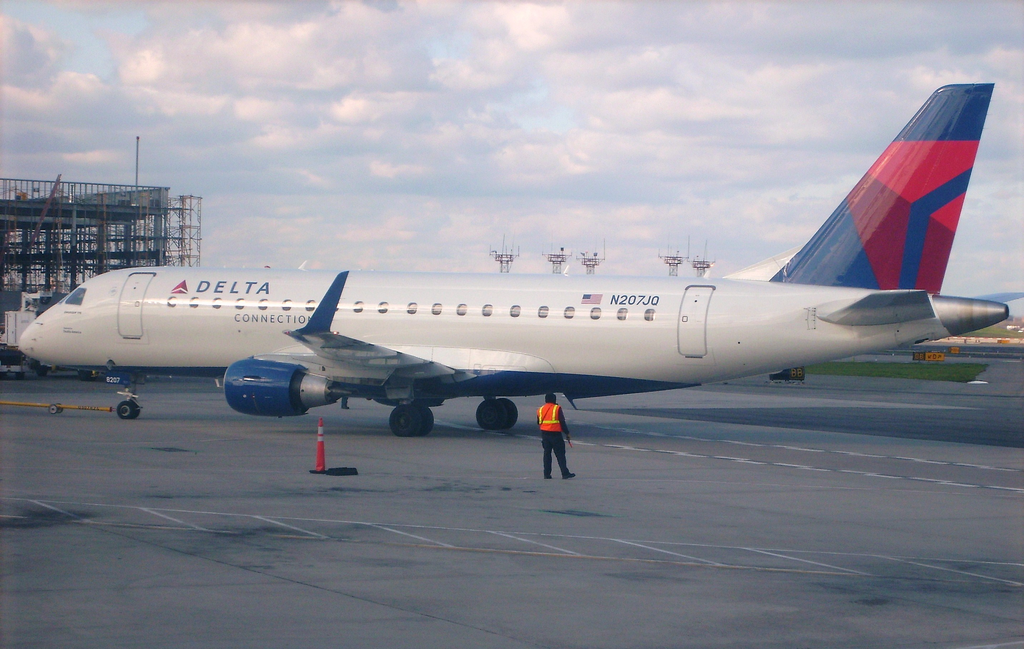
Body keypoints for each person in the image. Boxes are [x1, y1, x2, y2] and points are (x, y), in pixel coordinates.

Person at [537, 393, 575, 479]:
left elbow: (538, 422)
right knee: (560, 455)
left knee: (547, 454)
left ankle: (546, 474)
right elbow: (562, 422)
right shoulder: (557, 408)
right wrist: (567, 433)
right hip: (555, 435)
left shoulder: (540, 409)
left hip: (545, 435)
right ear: (554, 400)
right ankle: (565, 473)